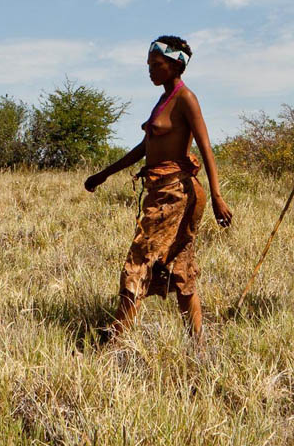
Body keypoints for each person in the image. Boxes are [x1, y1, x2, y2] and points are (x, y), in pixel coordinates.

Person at [85, 36, 232, 342]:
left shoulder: (185, 98)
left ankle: (118, 336)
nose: (150, 70)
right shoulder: (163, 100)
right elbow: (144, 147)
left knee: (141, 260)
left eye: (156, 65)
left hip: (177, 194)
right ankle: (197, 342)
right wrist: (103, 174)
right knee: (177, 266)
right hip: (159, 191)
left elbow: (206, 148)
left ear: (176, 65)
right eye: (149, 65)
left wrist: (218, 196)